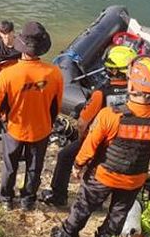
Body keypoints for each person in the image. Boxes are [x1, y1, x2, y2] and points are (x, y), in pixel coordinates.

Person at [51, 56, 150, 237]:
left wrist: (78, 165)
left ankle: (67, 236)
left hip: (103, 175)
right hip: (134, 180)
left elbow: (90, 145)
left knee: (83, 207)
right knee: (118, 214)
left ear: (132, 85)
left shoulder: (111, 115)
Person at [39, 45, 137, 207]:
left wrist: (82, 139)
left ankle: (58, 195)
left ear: (113, 70)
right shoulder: (135, 93)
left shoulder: (101, 94)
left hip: (101, 139)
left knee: (65, 156)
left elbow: (82, 122)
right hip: (125, 141)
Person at [0, 22, 63, 211]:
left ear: (21, 45)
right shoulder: (54, 73)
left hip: (14, 128)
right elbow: (56, 105)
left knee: (10, 166)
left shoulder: (7, 74)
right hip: (42, 129)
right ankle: (28, 200)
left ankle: (6, 198)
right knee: (34, 167)